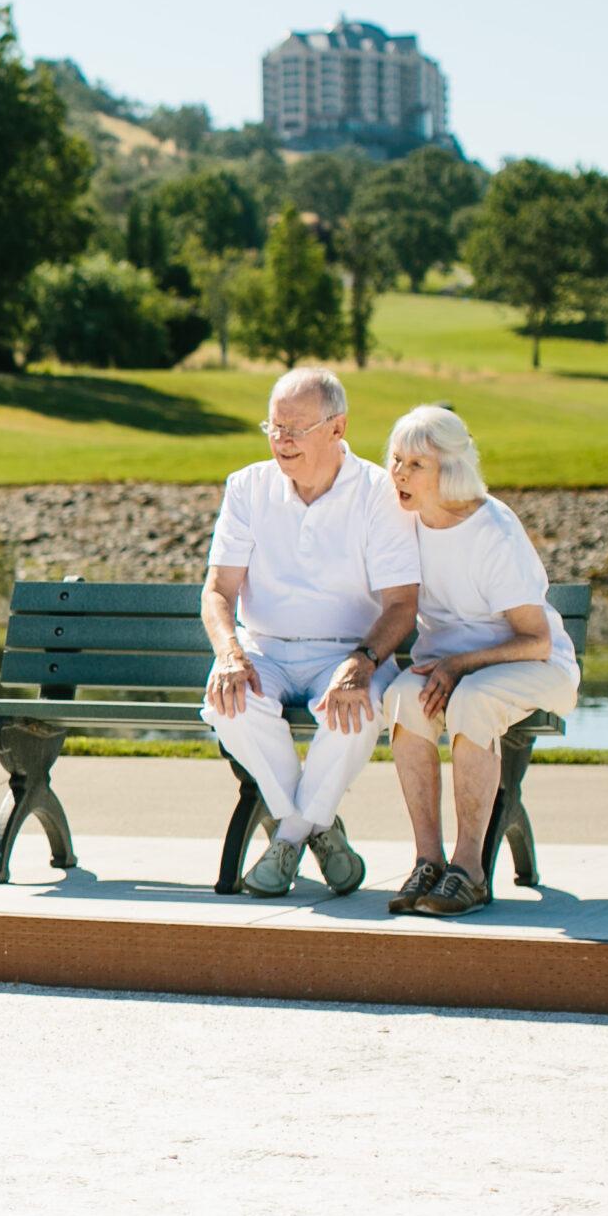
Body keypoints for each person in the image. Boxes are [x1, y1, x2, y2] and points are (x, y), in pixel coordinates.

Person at [200, 367, 420, 899]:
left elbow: (401, 605)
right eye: (274, 427)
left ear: (338, 427)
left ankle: (289, 836)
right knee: (228, 702)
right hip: (263, 649)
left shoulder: (377, 493)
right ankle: (318, 830)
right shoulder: (247, 487)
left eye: (296, 428)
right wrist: (229, 653)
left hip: (347, 654)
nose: (282, 441)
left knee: (357, 710)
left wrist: (364, 661)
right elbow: (217, 592)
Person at [381, 406, 579, 916]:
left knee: (471, 700)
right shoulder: (403, 523)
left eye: (415, 465)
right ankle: (428, 860)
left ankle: (469, 870)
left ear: (449, 470)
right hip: (453, 667)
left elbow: (536, 640)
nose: (400, 474)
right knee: (403, 698)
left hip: (534, 666)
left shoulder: (491, 528)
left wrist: (460, 664)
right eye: (396, 460)